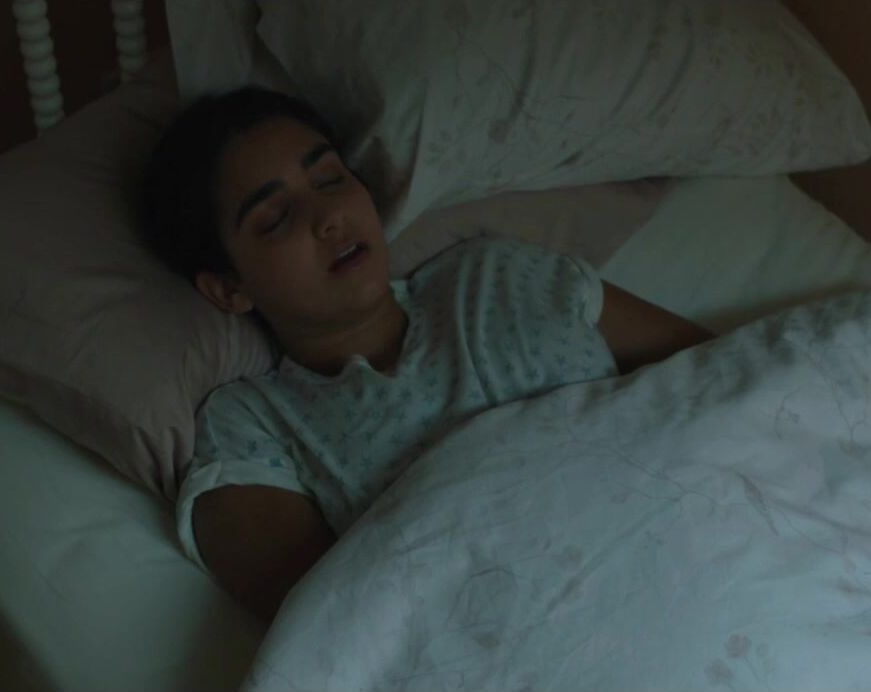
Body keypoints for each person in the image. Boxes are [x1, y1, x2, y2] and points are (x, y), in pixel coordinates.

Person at [141, 87, 712, 623]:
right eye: (276, 219)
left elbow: (718, 376)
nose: (329, 217)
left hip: (699, 547)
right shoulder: (256, 424)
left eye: (331, 178)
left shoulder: (496, 276)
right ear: (228, 289)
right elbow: (336, 628)